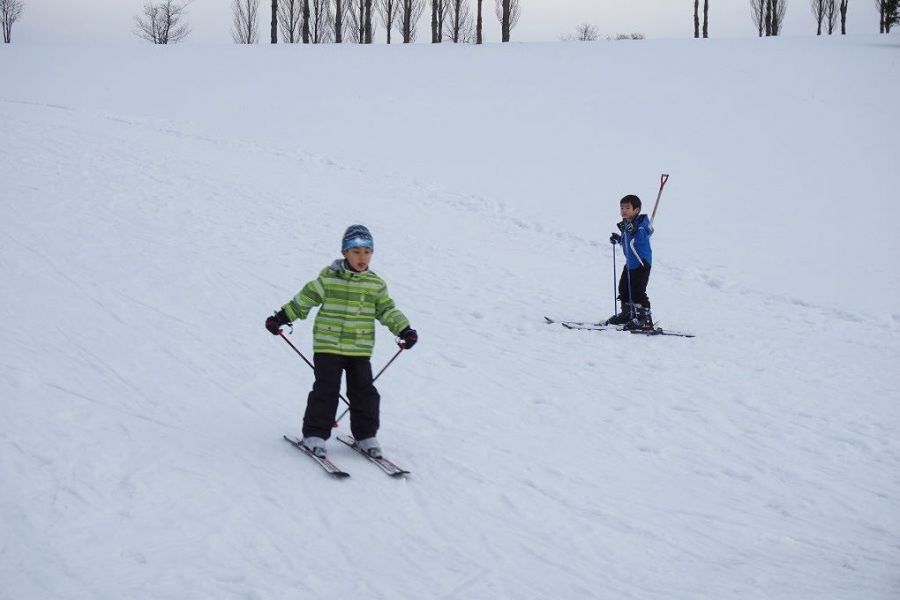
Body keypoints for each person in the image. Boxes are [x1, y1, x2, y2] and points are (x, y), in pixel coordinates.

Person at [265, 225, 418, 459]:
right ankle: (314, 434)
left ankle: (366, 435)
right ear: (345, 252)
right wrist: (281, 318)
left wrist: (404, 329)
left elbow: (387, 310)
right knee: (327, 389)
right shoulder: (327, 280)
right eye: (356, 251)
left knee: (364, 391)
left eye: (367, 252)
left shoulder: (375, 284)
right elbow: (303, 301)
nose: (362, 257)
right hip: (328, 345)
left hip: (360, 347)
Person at [606, 195, 655, 330]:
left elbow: (642, 236)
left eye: (627, 208)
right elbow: (627, 241)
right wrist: (618, 239)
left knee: (637, 291)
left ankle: (644, 319)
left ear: (637, 210)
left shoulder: (642, 225)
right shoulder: (627, 224)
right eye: (622, 208)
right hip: (631, 263)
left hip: (641, 263)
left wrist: (636, 229)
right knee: (624, 288)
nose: (624, 211)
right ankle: (627, 314)